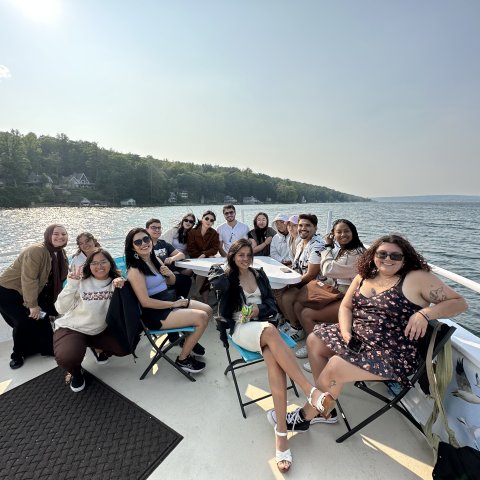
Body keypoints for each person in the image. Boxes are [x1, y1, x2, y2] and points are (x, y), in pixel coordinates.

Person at [270, 234, 468, 431]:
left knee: (336, 365)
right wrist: (346, 332)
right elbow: (346, 307)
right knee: (314, 340)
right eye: (382, 253)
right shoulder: (365, 275)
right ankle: (325, 409)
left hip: (392, 352)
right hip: (359, 338)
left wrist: (425, 314)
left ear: (405, 259)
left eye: (395, 256)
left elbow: (459, 303)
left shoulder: (416, 278)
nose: (388, 259)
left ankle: (305, 417)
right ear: (373, 255)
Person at [212, 239, 335, 473]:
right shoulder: (226, 278)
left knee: (276, 365)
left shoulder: (259, 274)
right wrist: (220, 283)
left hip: (264, 327)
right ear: (233, 256)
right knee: (270, 331)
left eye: (249, 254)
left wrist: (258, 309)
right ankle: (310, 391)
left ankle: (281, 434)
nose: (246, 259)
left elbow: (271, 304)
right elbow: (223, 309)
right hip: (242, 328)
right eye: (241, 255)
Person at [126, 228, 211, 373]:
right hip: (155, 313)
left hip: (169, 300)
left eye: (146, 239)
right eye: (138, 242)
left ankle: (188, 340)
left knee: (207, 310)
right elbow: (145, 302)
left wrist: (170, 273)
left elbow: (171, 282)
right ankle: (183, 359)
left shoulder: (154, 259)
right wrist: (174, 304)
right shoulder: (135, 270)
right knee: (201, 317)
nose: (144, 244)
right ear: (132, 247)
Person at [53, 248, 128, 392]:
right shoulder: (80, 282)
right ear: (88, 266)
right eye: (94, 263)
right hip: (73, 328)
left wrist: (121, 283)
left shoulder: (116, 283)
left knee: (125, 347)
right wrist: (71, 285)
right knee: (68, 357)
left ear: (111, 264)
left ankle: (97, 348)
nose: (99, 266)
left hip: (98, 330)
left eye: (103, 262)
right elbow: (60, 309)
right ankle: (76, 373)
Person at [295, 219, 366, 365]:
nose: (343, 234)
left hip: (350, 300)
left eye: (346, 231)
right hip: (337, 293)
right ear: (333, 235)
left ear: (353, 232)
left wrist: (327, 246)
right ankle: (313, 344)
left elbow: (328, 270)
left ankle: (319, 352)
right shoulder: (342, 249)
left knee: (306, 314)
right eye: (338, 232)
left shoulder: (356, 253)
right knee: (298, 304)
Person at [0, 224, 69, 369]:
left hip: (33, 290)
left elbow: (55, 279)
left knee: (42, 318)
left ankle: (46, 348)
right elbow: (29, 279)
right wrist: (32, 305)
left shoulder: (60, 253)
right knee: (23, 321)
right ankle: (17, 354)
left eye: (64, 234)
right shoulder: (36, 251)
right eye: (56, 233)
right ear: (48, 235)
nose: (60, 237)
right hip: (8, 291)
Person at [277, 214, 325, 341]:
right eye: (301, 225)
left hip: (316, 284)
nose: (303, 228)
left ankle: (298, 330)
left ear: (315, 228)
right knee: (276, 290)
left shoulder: (317, 245)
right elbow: (297, 266)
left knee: (287, 296)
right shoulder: (301, 244)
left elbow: (311, 274)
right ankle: (291, 323)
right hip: (301, 281)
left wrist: (291, 284)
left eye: (308, 225)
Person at [146, 218, 191, 299]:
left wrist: (172, 258)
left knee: (186, 279)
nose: (157, 230)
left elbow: (181, 255)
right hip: (157, 276)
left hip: (169, 274)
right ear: (146, 230)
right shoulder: (145, 246)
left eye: (159, 228)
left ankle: (180, 300)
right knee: (184, 280)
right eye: (153, 227)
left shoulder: (163, 243)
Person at [187, 211, 221, 302]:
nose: (208, 221)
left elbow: (215, 248)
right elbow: (191, 249)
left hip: (207, 259)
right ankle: (204, 301)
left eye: (211, 220)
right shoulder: (192, 232)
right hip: (194, 259)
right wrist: (203, 255)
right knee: (203, 271)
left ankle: (196, 295)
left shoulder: (214, 233)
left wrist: (204, 254)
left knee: (204, 271)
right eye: (206, 218)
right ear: (202, 219)